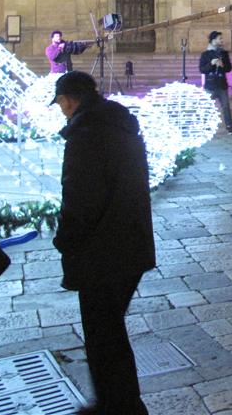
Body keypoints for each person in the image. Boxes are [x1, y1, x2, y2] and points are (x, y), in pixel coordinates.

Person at [50, 71, 155, 415]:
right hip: (132, 243)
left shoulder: (85, 136)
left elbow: (79, 199)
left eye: (61, 104)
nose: (62, 110)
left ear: (69, 99)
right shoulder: (121, 126)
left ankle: (119, 405)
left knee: (102, 333)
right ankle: (121, 401)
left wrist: (65, 239)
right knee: (109, 328)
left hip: (102, 251)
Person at [199, 31, 232, 135]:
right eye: (220, 39)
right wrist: (211, 63)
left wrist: (223, 65)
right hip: (210, 85)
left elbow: (229, 68)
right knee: (206, 107)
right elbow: (202, 70)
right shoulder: (205, 54)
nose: (221, 40)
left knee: (226, 106)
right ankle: (206, 127)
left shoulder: (224, 53)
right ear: (213, 40)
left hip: (222, 85)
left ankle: (229, 127)